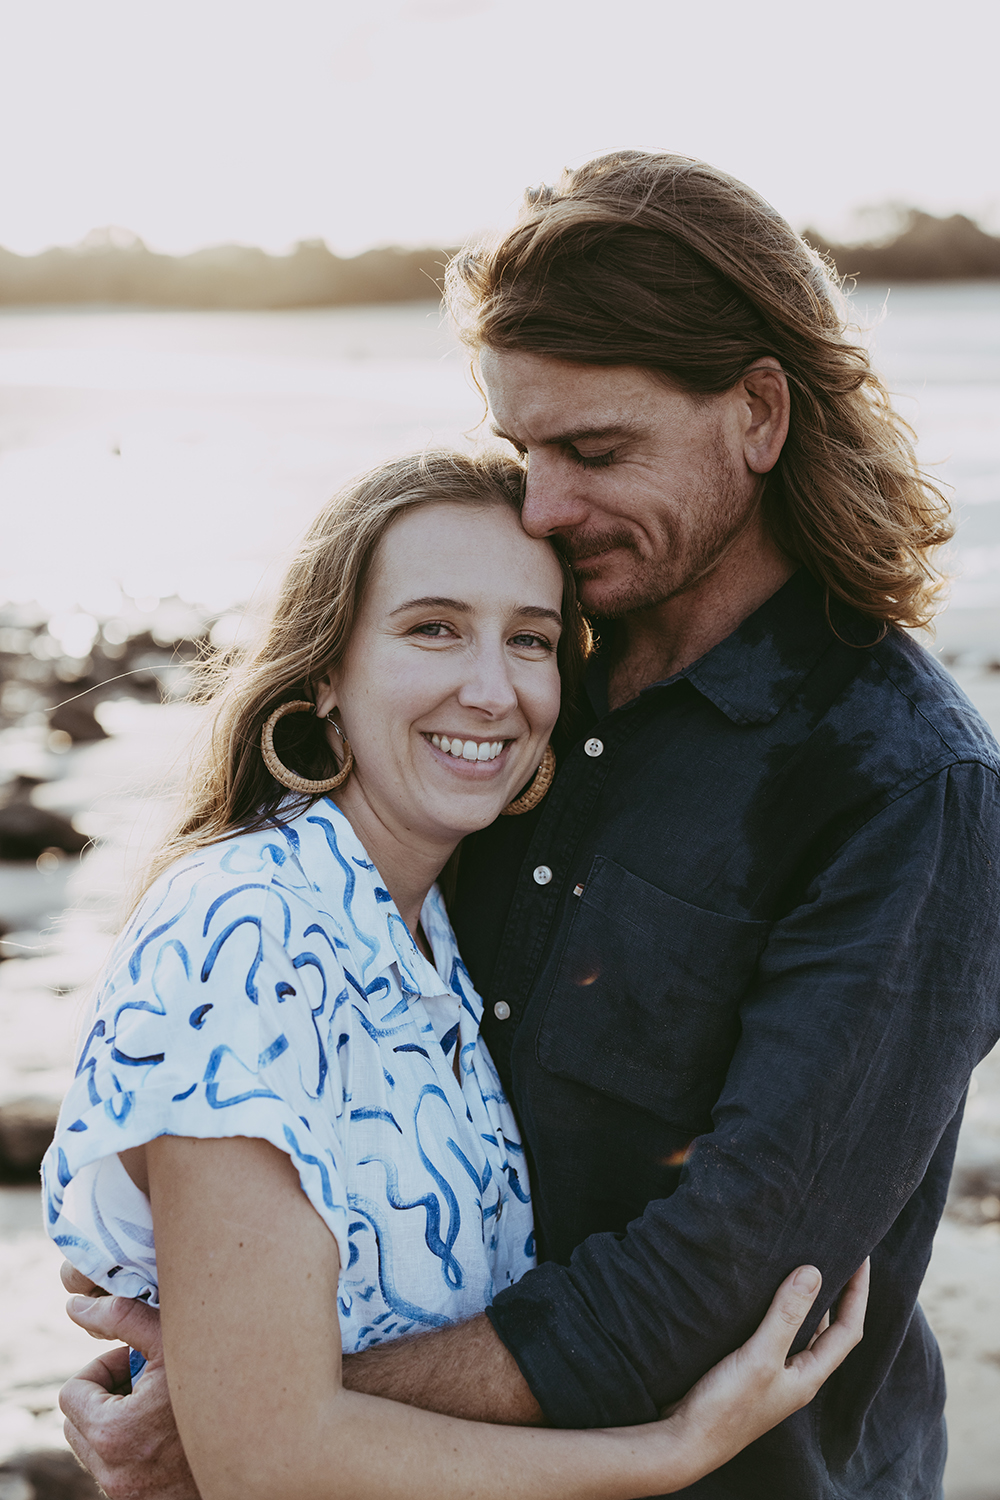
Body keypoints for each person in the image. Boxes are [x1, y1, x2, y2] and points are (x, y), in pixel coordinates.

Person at [59, 149, 997, 1498]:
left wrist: (249, 1401)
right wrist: (214, 1352)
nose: (542, 507)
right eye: (521, 448)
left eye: (595, 450)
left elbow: (730, 1274)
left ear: (759, 415)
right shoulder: (512, 686)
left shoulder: (907, 786)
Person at [45, 447, 866, 1500]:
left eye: (529, 640)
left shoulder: (429, 925)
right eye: (433, 627)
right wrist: (674, 1450)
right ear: (326, 671)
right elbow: (265, 1461)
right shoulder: (247, 930)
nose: (491, 690)